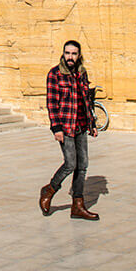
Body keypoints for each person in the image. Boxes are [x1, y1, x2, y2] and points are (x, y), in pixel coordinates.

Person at [39, 40, 99, 221]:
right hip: (65, 126)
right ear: (63, 54)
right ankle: (49, 190)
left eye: (74, 54)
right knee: (70, 163)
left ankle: (78, 205)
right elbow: (52, 103)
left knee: (83, 166)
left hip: (81, 124)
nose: (70, 57)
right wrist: (56, 128)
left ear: (79, 55)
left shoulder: (81, 73)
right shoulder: (55, 74)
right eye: (67, 53)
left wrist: (92, 124)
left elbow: (87, 100)